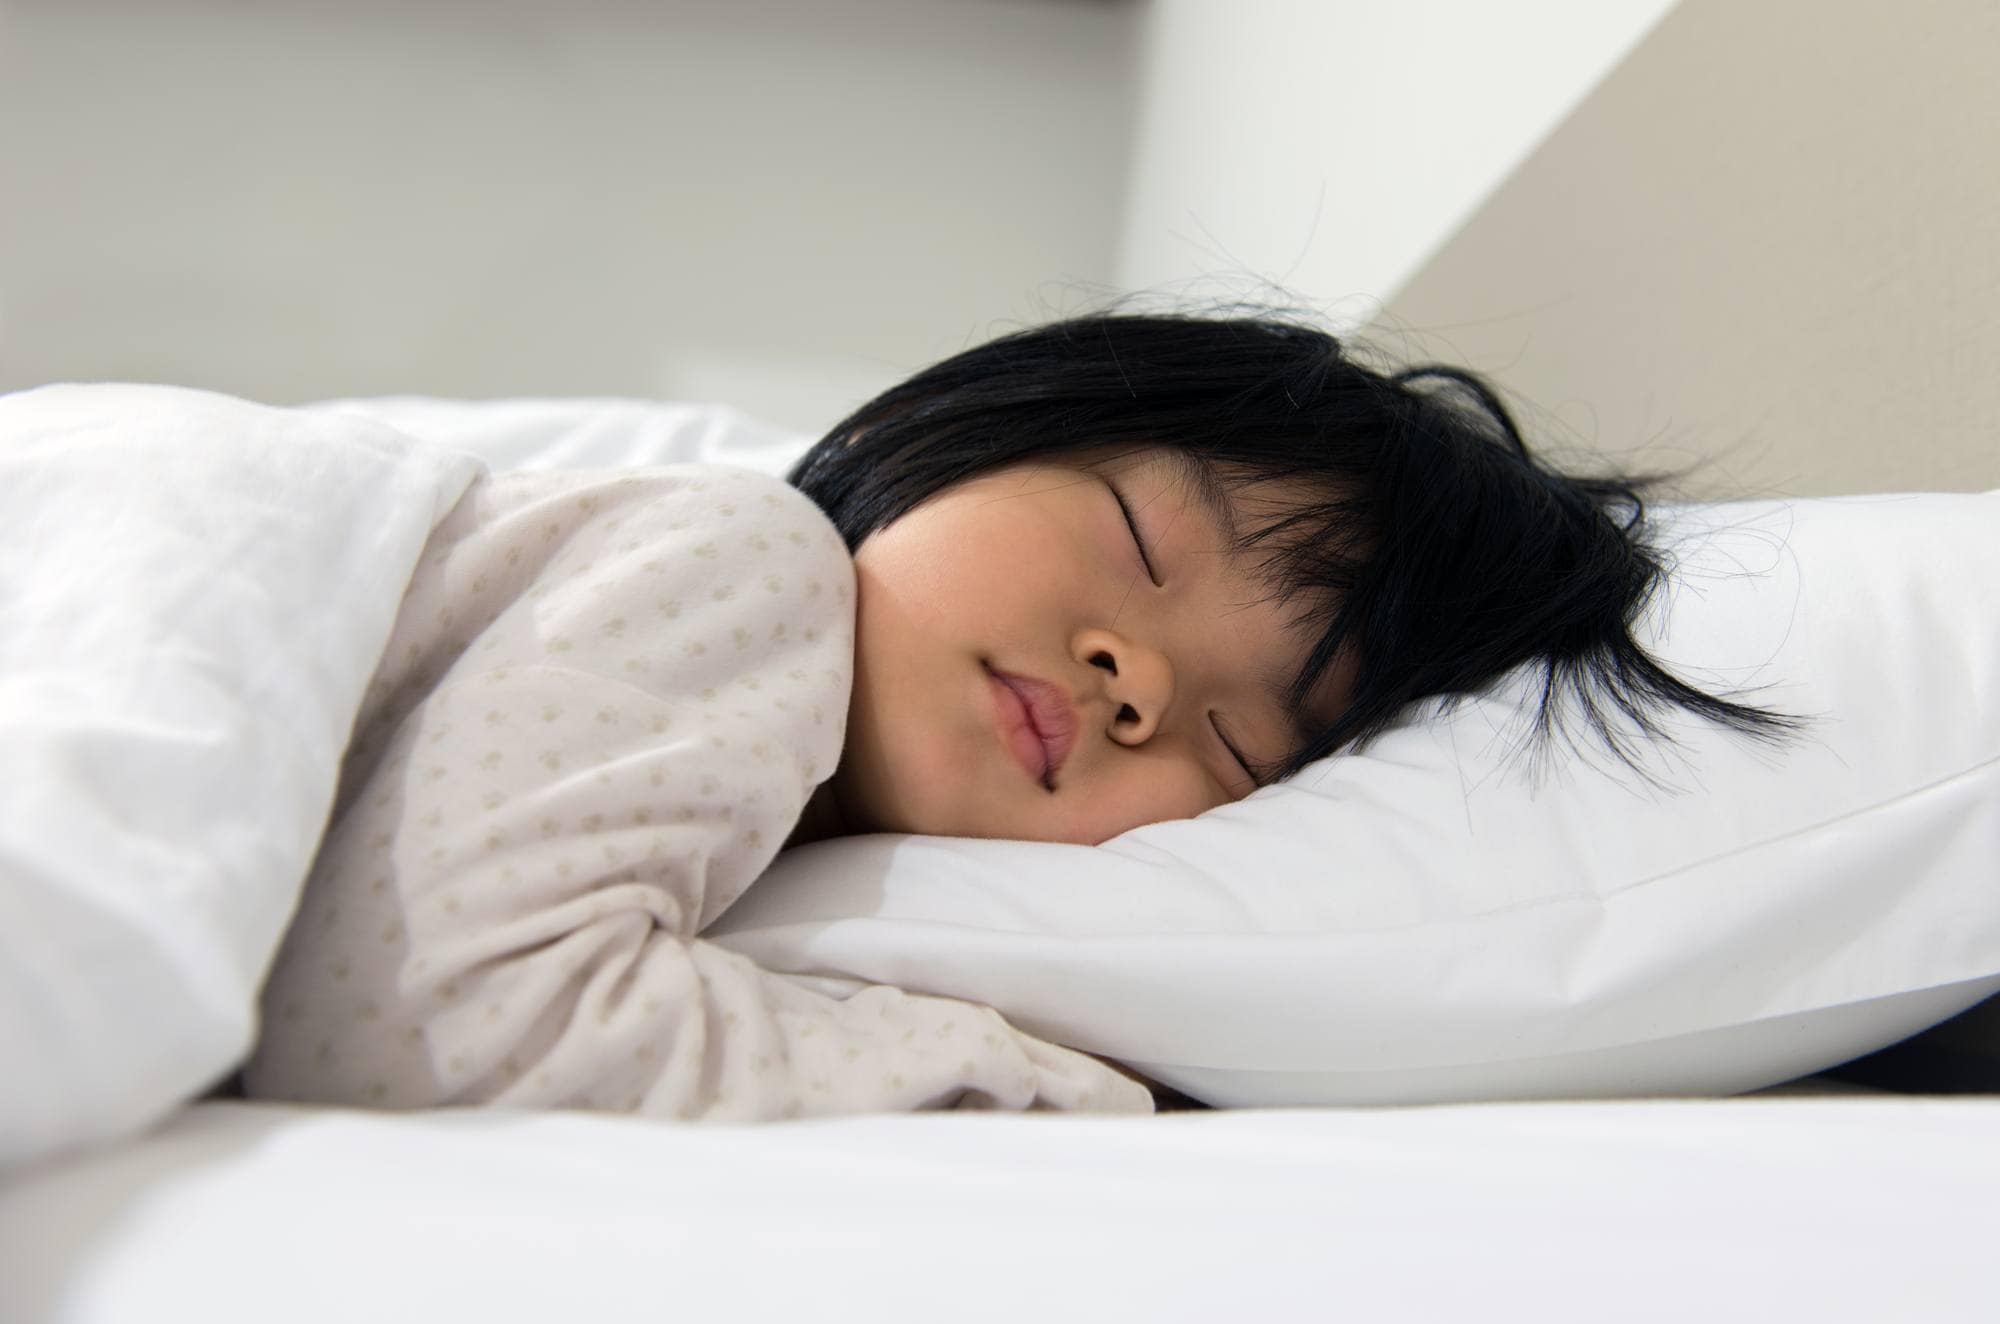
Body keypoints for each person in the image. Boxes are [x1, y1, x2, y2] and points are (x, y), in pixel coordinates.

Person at [243, 307, 1788, 1120]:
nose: (1145, 678)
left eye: (1243, 744)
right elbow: (414, 1028)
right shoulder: (744, 558)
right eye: (1141, 545)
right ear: (947, 437)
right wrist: (1035, 1082)